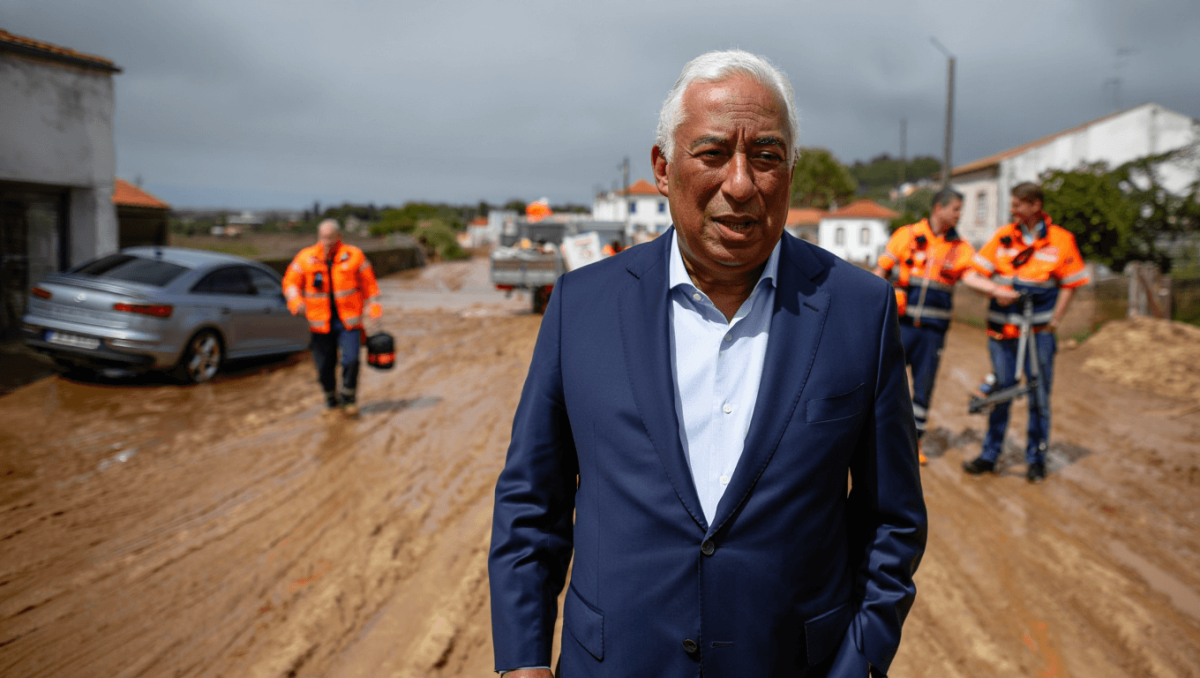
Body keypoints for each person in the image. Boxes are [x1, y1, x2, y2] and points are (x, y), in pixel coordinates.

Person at [489, 50, 926, 678]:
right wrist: (522, 661)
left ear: (791, 170)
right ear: (663, 169)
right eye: (713, 153)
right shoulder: (580, 305)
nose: (742, 184)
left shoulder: (861, 310)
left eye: (767, 156)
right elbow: (532, 504)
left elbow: (892, 522)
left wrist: (857, 666)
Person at [873, 188, 1019, 464]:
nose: (959, 215)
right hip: (900, 326)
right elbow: (881, 272)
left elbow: (973, 278)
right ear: (939, 208)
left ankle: (912, 445)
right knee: (882, 381)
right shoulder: (907, 236)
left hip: (933, 333)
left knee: (923, 391)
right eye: (956, 209)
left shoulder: (961, 248)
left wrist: (997, 290)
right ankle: (873, 437)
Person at [960, 182, 1089, 482]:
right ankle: (989, 456)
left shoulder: (1061, 240)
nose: (1012, 209)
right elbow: (971, 275)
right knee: (1002, 392)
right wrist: (995, 289)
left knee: (1039, 396)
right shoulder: (1003, 237)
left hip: (1039, 333)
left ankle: (1036, 459)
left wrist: (1055, 321)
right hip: (1003, 332)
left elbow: (1071, 285)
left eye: (1018, 204)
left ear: (1035, 205)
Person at [282, 219, 382, 418]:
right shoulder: (306, 257)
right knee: (324, 366)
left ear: (338, 237)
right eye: (322, 237)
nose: (326, 242)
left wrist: (374, 306)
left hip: (349, 322)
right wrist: (295, 301)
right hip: (319, 324)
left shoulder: (355, 256)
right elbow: (290, 282)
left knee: (351, 361)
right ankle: (331, 400)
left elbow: (370, 284)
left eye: (329, 238)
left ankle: (349, 399)